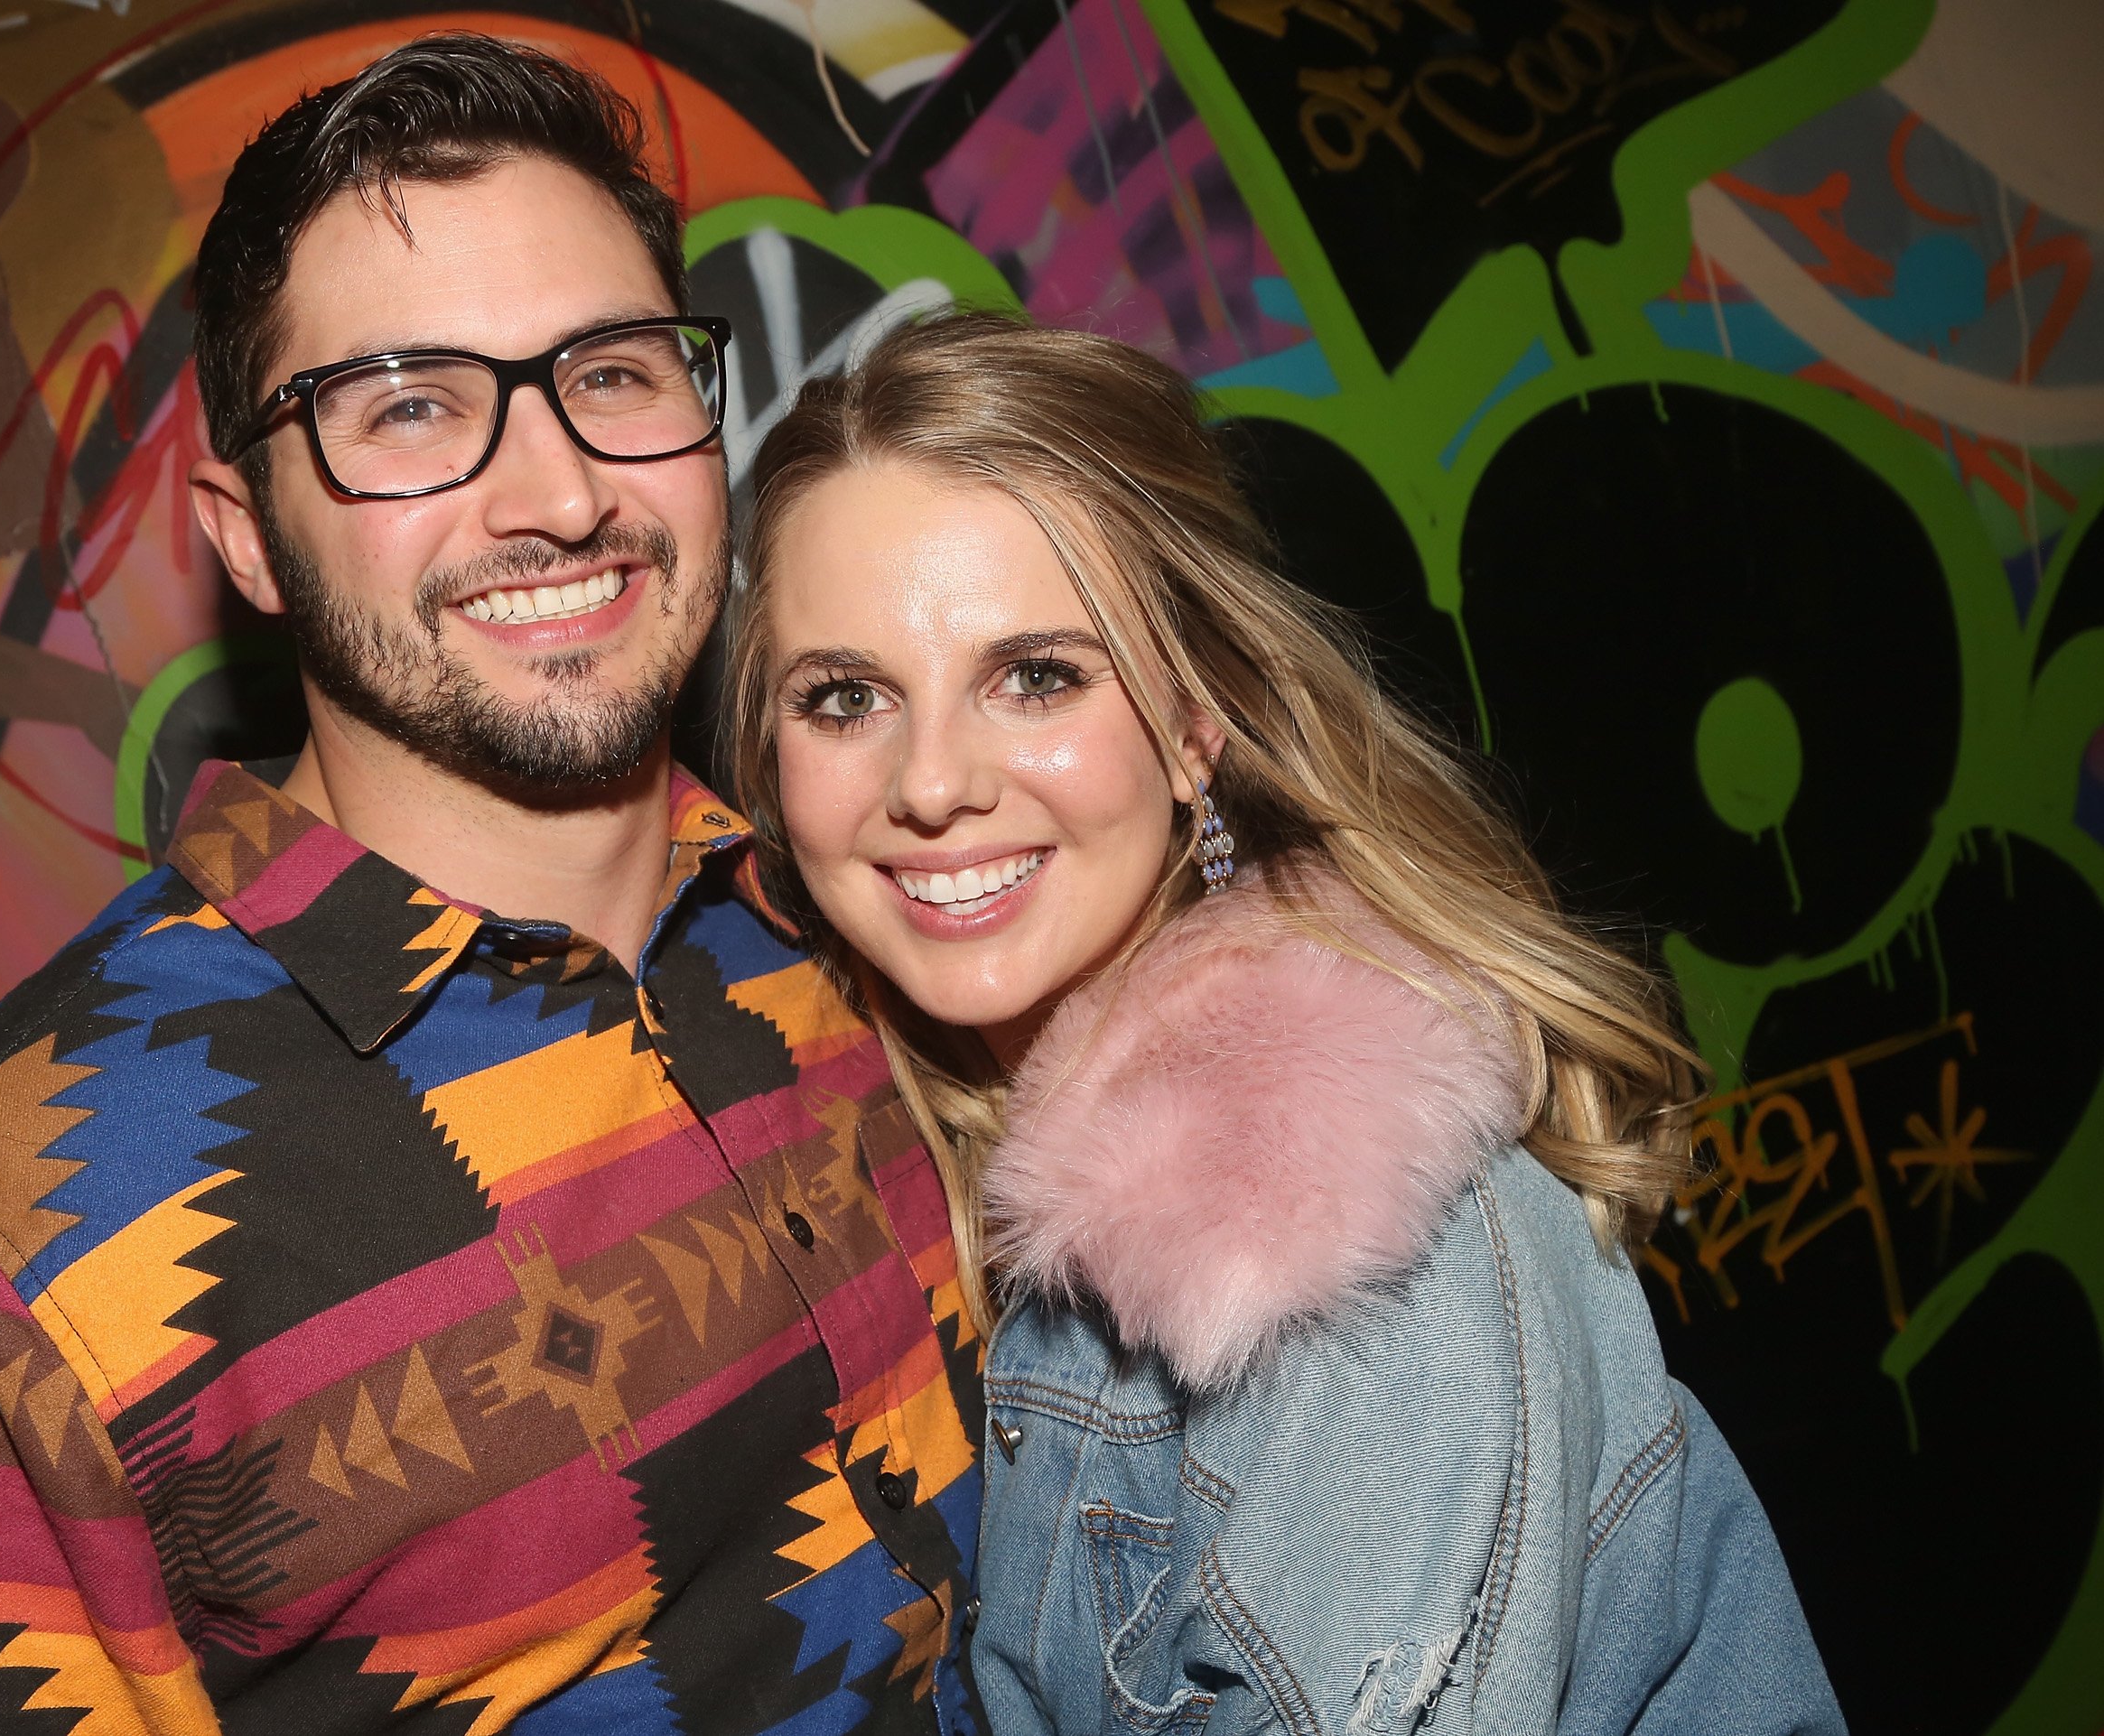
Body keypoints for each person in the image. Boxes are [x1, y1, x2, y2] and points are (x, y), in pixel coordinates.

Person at [0, 37, 986, 1735]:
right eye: (408, 407)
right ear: (247, 537)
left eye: (613, 372)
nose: (560, 495)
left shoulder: (881, 907)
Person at [722, 313, 1845, 1735]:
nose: (931, 783)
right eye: (844, 698)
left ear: (1200, 727)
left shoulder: (1332, 1249)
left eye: (1037, 676)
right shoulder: (926, 1140)